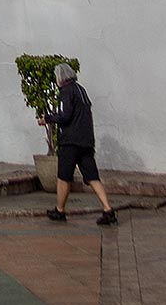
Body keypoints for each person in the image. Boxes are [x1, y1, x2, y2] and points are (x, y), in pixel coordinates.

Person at [38, 63, 117, 225]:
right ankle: (108, 209)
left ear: (60, 77)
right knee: (92, 176)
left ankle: (60, 210)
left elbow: (64, 115)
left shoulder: (66, 92)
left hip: (70, 141)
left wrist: (48, 118)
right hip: (86, 141)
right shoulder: (81, 90)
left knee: (63, 177)